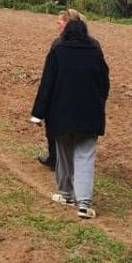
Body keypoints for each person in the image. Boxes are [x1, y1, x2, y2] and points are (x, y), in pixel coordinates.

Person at [31, 19, 110, 219]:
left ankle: (65, 193)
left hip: (60, 114)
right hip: (89, 115)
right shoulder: (95, 51)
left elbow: (47, 83)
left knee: (64, 154)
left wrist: (37, 114)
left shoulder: (58, 51)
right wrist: (99, 102)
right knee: (85, 157)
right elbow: (104, 82)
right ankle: (84, 204)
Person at [37, 9, 87, 170]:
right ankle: (62, 159)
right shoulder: (92, 44)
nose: (57, 25)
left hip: (61, 93)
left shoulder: (58, 44)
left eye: (59, 22)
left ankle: (55, 159)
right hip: (82, 93)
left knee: (54, 127)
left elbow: (49, 75)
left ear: (67, 24)